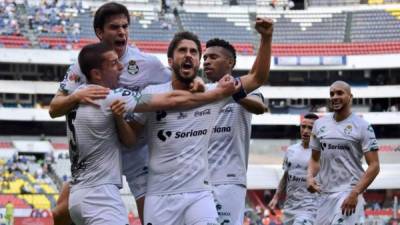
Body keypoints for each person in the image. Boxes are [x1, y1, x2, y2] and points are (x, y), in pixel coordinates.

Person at [48, 2, 200, 224]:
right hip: (100, 152)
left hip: (136, 150)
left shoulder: (147, 63)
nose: (121, 32)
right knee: (60, 213)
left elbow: (176, 85)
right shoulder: (83, 64)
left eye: (125, 26)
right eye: (114, 27)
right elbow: (54, 108)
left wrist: (195, 81)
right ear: (99, 32)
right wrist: (75, 96)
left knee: (150, 218)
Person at [67, 42, 238, 225]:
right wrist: (215, 94)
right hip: (100, 196)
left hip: (77, 194)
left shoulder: (76, 96)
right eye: (114, 63)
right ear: (97, 74)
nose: (121, 67)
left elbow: (55, 108)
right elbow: (169, 99)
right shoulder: (110, 96)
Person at [132, 17, 273, 225]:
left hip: (209, 187)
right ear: (170, 60)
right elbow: (130, 134)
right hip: (162, 193)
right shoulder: (154, 94)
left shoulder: (218, 93)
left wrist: (266, 38)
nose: (196, 58)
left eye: (195, 53)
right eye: (183, 51)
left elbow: (257, 80)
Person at [203, 38, 268, 225]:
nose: (206, 61)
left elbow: (260, 107)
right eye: (205, 57)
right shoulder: (202, 91)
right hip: (198, 180)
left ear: (229, 62)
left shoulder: (241, 87)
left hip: (228, 180)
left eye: (213, 57)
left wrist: (235, 94)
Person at [307, 80, 380, 225]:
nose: (334, 97)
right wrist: (309, 176)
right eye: (332, 94)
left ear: (350, 97)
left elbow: (374, 165)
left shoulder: (363, 126)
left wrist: (355, 193)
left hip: (349, 191)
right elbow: (315, 159)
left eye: (339, 93)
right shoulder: (319, 125)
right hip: (325, 194)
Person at [268, 113, 319, 225]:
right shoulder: (291, 150)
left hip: (309, 209)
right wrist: (276, 197)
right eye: (303, 126)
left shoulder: (321, 153)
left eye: (310, 128)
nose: (305, 131)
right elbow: (286, 176)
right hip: (289, 208)